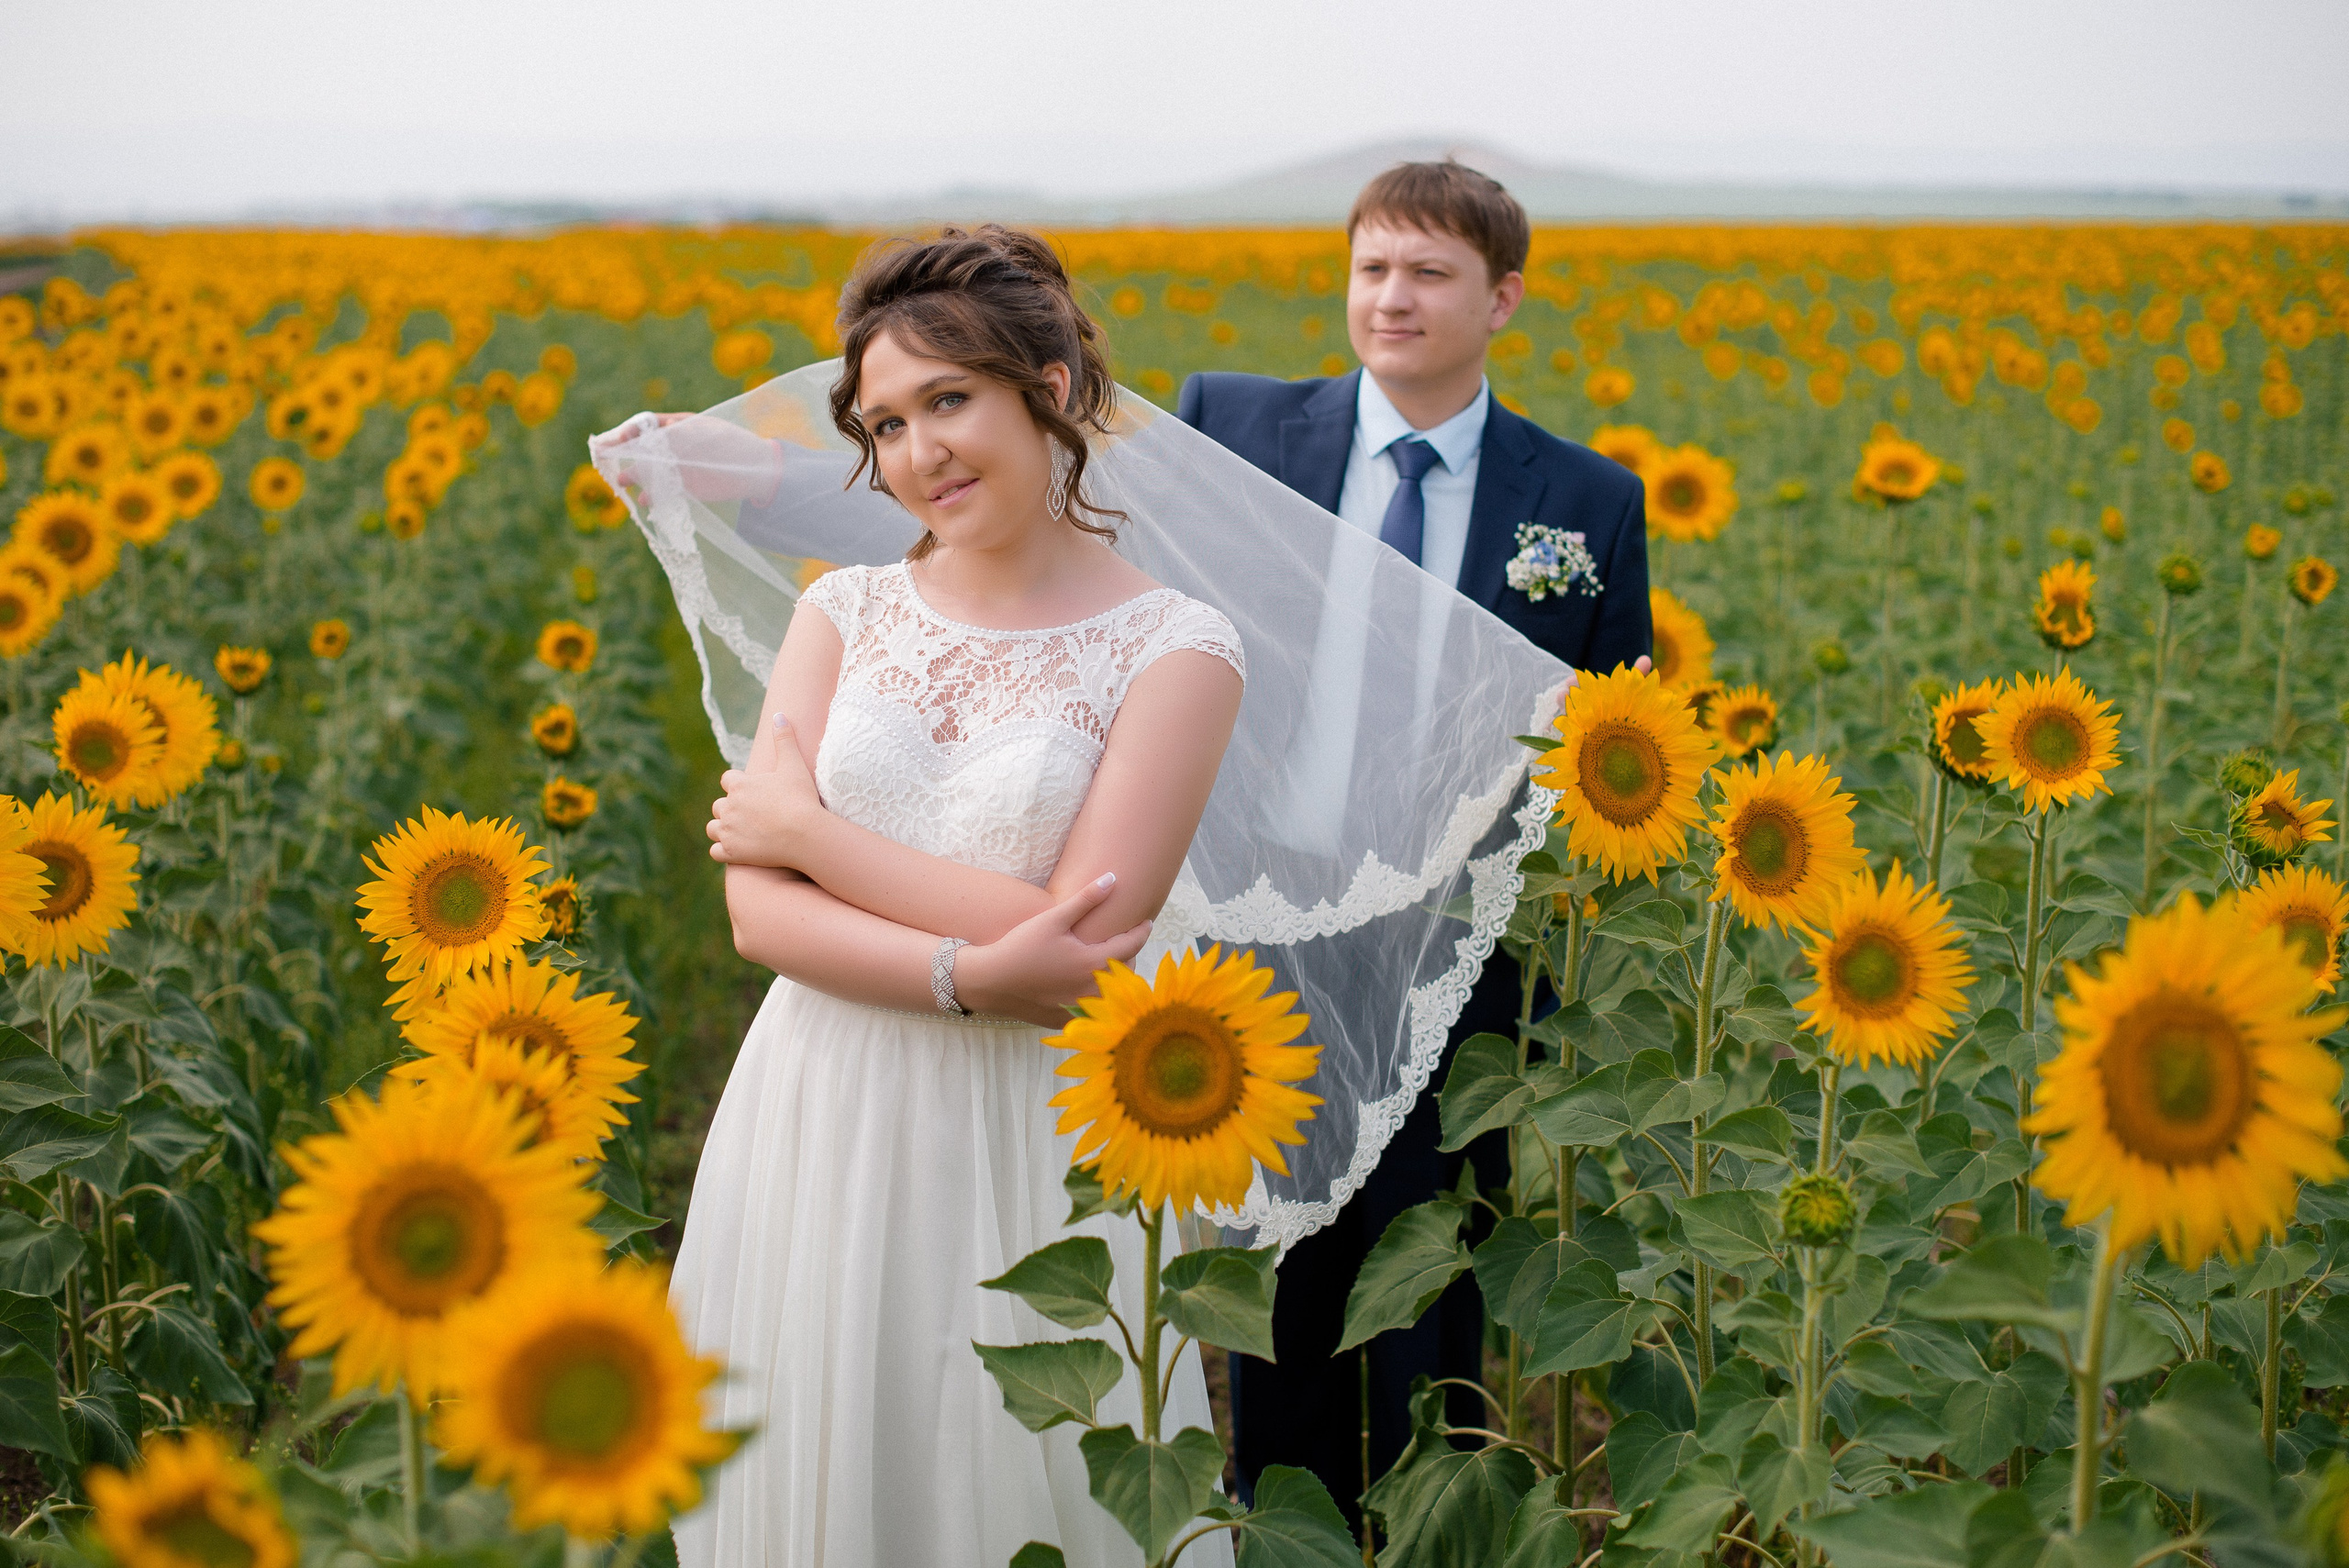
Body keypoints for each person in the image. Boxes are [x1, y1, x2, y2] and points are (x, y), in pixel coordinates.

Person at [607, 227, 1248, 1566]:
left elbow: (1078, 947)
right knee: (823, 1463)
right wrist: (964, 966)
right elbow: (756, 921)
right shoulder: (841, 608)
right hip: (817, 1096)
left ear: (1055, 386)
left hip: (1028, 1132)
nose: (917, 454)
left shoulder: (1178, 650)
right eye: (884, 424)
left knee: (1013, 1478)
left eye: (948, 401)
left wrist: (809, 834)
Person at [1175, 160, 1653, 1522]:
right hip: (1275, 925)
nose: (1392, 297)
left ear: (1502, 299)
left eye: (1430, 272)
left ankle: (1439, 1533)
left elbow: (1615, 730)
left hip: (1462, 951)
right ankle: (1291, 1535)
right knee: (1287, 1285)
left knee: (1439, 1276)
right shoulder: (1236, 425)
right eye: (1373, 267)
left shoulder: (1585, 498)